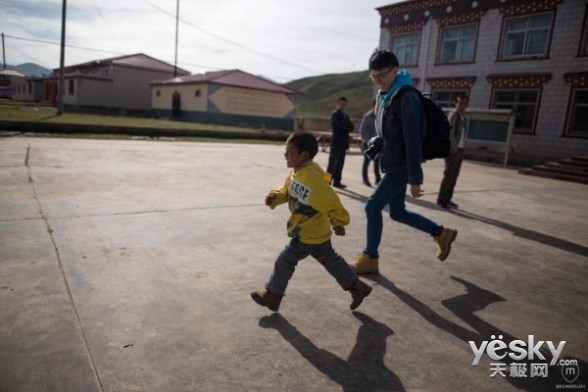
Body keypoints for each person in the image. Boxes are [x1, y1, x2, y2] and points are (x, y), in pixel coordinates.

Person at [348, 49, 458, 274]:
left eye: (382, 76)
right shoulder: (385, 96)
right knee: (397, 212)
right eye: (374, 77)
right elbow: (389, 132)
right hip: (391, 161)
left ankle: (371, 257)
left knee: (372, 207)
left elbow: (412, 139)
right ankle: (441, 233)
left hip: (401, 166)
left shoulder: (407, 97)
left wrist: (415, 178)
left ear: (395, 70)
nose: (378, 81)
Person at [251, 131, 372, 311]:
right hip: (317, 232)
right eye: (286, 150)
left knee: (285, 260)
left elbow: (330, 200)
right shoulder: (296, 173)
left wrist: (338, 221)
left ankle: (273, 296)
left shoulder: (312, 179)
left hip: (307, 233)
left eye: (290, 151)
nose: (285, 155)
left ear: (304, 155)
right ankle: (357, 287)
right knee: (332, 261)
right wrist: (275, 197)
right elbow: (287, 189)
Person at [437, 95, 469, 209]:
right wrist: (454, 148)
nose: (462, 106)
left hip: (460, 150)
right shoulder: (453, 116)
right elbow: (450, 133)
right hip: (452, 150)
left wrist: (462, 148)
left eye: (464, 104)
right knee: (448, 175)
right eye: (460, 103)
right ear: (456, 104)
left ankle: (448, 199)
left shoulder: (464, 118)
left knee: (454, 176)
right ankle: (441, 199)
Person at [326, 97, 354, 188]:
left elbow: (351, 127)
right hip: (336, 142)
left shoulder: (346, 116)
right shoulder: (335, 115)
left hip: (343, 143)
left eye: (344, 105)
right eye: (341, 104)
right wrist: (346, 126)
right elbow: (342, 126)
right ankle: (326, 182)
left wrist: (346, 126)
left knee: (340, 164)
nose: (343, 106)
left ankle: (337, 182)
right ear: (337, 104)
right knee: (332, 163)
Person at [360, 98, 381, 187]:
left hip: (377, 142)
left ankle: (378, 179)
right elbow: (363, 129)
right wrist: (364, 140)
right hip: (368, 142)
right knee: (367, 161)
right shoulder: (368, 116)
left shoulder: (381, 115)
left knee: (377, 161)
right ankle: (365, 179)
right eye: (377, 104)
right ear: (373, 105)